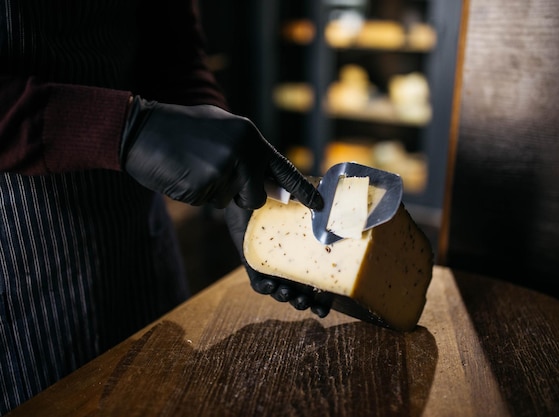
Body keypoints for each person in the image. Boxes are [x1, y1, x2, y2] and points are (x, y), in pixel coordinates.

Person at [0, 0, 329, 413]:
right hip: (17, 265)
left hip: (138, 246)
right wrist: (125, 128)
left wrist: (221, 153)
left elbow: (174, 49)